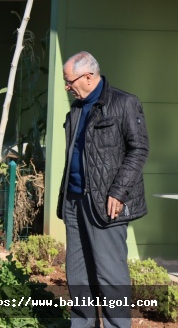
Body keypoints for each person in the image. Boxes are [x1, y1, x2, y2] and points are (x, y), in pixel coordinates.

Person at [56, 51, 149, 327]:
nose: (67, 87)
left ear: (88, 77)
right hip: (74, 201)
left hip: (106, 203)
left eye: (69, 81)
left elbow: (139, 149)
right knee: (77, 274)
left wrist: (118, 192)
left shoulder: (124, 103)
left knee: (111, 277)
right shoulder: (76, 108)